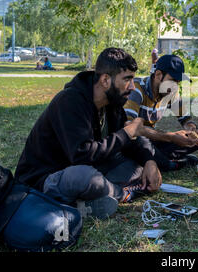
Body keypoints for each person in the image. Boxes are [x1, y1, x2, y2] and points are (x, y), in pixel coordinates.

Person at [15, 48, 162, 219]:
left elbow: (132, 139)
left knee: (137, 169)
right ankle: (123, 193)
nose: (132, 86)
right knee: (85, 177)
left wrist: (149, 161)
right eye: (127, 79)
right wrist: (126, 134)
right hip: (47, 178)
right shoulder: (70, 101)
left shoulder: (112, 102)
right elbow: (81, 155)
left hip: (92, 167)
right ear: (105, 80)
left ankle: (88, 202)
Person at [124, 54, 198, 171]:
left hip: (154, 141)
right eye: (172, 81)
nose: (175, 87)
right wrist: (171, 137)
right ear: (158, 75)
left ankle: (160, 159)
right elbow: (130, 128)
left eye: (178, 82)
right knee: (142, 142)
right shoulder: (137, 90)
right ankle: (171, 164)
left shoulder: (170, 93)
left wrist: (192, 130)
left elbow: (185, 119)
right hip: (134, 142)